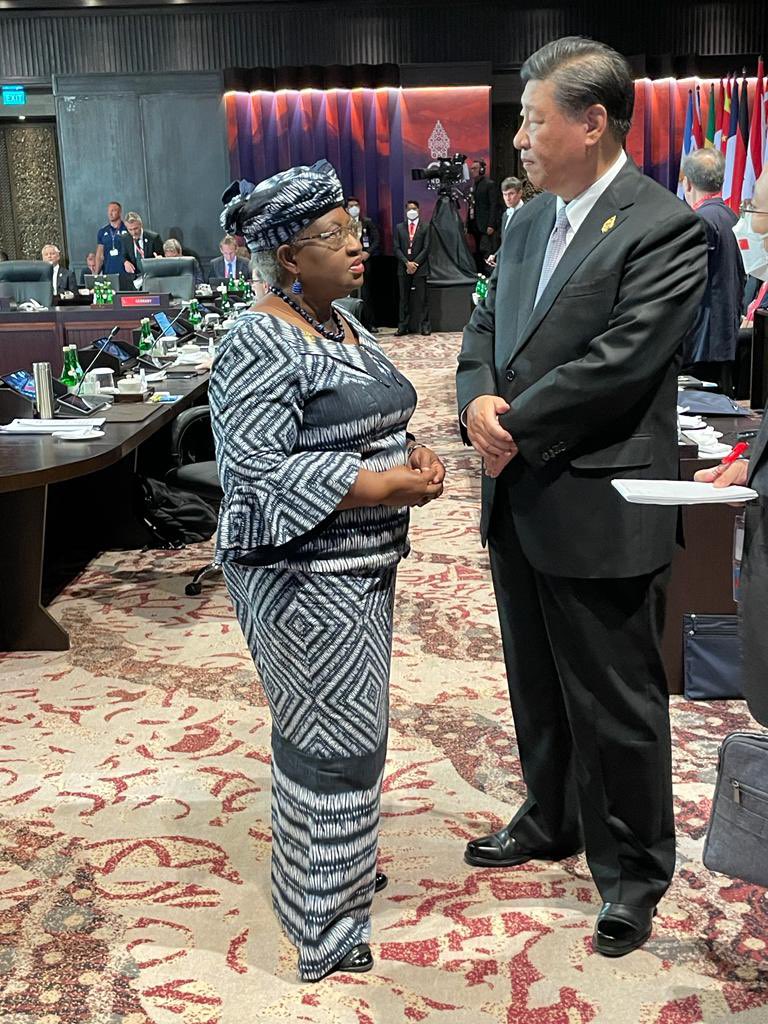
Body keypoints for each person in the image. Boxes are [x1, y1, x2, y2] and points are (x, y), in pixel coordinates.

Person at [456, 36, 708, 957]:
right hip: (517, 493)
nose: (518, 138)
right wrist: (475, 401)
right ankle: (551, 815)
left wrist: (512, 417)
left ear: (592, 121)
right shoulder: (525, 222)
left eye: (532, 120)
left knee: (617, 699)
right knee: (537, 682)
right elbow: (485, 327)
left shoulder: (663, 227)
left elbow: (623, 364)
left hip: (599, 501)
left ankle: (633, 871)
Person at [209, 160, 445, 982]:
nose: (356, 246)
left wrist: (405, 452)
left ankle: (325, 872)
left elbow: (371, 413)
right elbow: (255, 472)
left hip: (360, 565)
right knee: (335, 743)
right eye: (333, 236)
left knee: (338, 732)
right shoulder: (256, 338)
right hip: (302, 576)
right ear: (285, 257)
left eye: (352, 230)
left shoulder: (341, 324)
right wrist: (385, 483)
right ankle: (325, 923)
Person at [680, 148, 745, 394]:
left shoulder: (700, 221)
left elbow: (687, 283)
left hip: (701, 343)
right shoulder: (730, 216)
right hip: (724, 337)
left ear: (687, 182)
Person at [394, 200, 431, 336]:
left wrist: (415, 263)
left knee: (423, 298)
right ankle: (403, 326)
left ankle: (425, 326)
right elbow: (396, 248)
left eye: (414, 208)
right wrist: (406, 263)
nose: (412, 211)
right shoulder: (399, 227)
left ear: (418, 210)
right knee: (404, 298)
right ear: (406, 211)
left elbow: (427, 248)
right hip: (403, 267)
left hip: (420, 267)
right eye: (409, 209)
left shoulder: (425, 227)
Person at [346, 196, 380, 329]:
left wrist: (368, 252)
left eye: (356, 206)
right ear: (346, 209)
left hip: (365, 262)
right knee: (351, 292)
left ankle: (369, 323)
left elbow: (376, 239)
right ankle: (352, 324)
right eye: (351, 206)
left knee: (366, 293)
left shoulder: (366, 222)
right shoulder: (344, 224)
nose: (354, 208)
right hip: (349, 263)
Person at [467, 158, 500, 272]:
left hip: (485, 224)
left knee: (486, 249)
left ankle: (489, 273)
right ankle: (479, 272)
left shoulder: (489, 184)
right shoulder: (474, 185)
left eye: (475, 168)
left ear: (482, 170)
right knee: (477, 251)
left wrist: (491, 224)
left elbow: (494, 205)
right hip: (474, 223)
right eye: (471, 169)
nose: (472, 171)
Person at [486, 177, 525, 269]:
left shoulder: (528, 214)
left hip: (521, 265)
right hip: (506, 264)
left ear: (520, 193)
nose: (508, 198)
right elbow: (506, 242)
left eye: (511, 194)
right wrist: (496, 255)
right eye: (505, 194)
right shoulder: (505, 215)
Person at [95, 201, 128, 275]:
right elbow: (99, 255)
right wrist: (95, 274)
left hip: (125, 272)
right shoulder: (103, 231)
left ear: (119, 212)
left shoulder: (127, 229)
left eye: (113, 210)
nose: (110, 213)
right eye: (109, 211)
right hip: (108, 271)